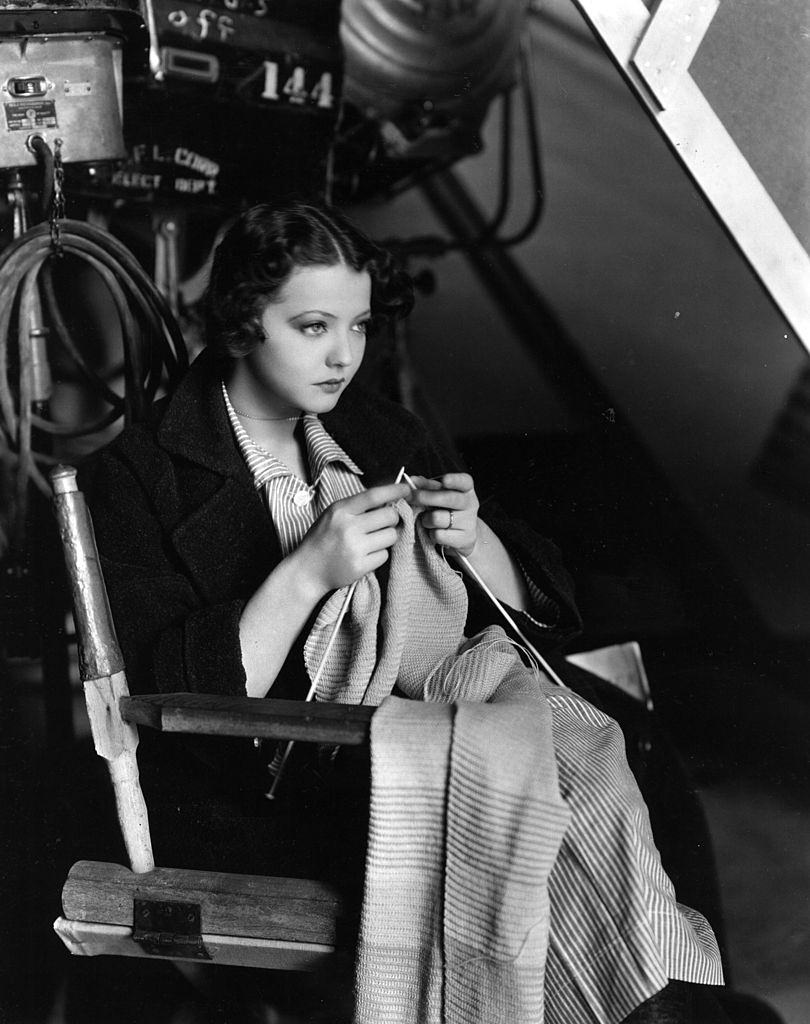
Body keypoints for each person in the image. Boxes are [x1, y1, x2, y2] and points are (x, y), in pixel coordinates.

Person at [82, 200, 728, 1024]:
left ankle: (660, 1006)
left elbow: (527, 595)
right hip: (274, 776)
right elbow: (163, 690)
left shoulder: (375, 427)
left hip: (426, 707)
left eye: (357, 325)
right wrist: (307, 573)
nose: (344, 355)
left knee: (597, 768)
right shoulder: (143, 473)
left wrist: (475, 540)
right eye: (313, 326)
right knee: (530, 804)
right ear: (244, 322)